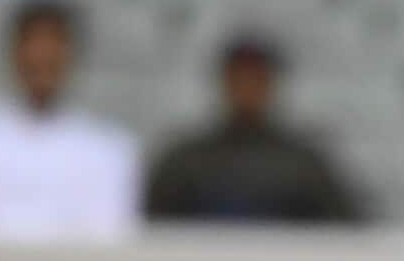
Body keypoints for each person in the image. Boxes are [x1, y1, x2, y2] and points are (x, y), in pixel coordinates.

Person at [0, 0, 139, 243]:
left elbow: (108, 240)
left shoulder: (109, 150)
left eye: (53, 49)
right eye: (33, 47)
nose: (42, 59)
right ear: (14, 53)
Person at [145, 33, 360, 223]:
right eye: (239, 79)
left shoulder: (304, 165)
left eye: (255, 79)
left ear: (270, 85)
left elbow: (344, 228)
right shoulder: (185, 162)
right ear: (225, 83)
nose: (246, 89)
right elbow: (152, 227)